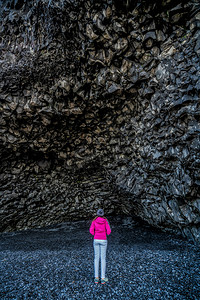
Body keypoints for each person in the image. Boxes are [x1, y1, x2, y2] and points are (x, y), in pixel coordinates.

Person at [89, 208, 111, 284]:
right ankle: (103, 278)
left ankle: (96, 278)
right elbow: (109, 231)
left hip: (96, 239)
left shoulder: (94, 221)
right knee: (103, 258)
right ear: (103, 214)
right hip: (103, 240)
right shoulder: (105, 221)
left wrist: (96, 234)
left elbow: (91, 231)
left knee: (96, 258)